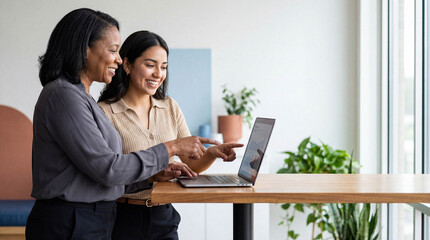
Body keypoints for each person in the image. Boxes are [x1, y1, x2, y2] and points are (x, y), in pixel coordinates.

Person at [26, 9, 217, 240]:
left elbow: (101, 175)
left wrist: (151, 177)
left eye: (164, 66)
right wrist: (171, 148)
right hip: (72, 223)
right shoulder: (64, 96)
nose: (118, 58)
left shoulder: (80, 97)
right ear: (84, 48)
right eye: (113, 50)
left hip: (90, 220)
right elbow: (108, 169)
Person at [98, 30, 243, 240]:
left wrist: (211, 153)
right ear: (127, 65)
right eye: (150, 65)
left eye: (163, 67)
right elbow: (107, 172)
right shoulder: (105, 112)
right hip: (123, 218)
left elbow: (191, 165)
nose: (158, 73)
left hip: (163, 216)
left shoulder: (170, 107)